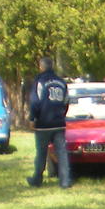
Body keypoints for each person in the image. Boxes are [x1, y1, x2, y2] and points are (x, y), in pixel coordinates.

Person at [27, 56, 71, 188]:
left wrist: (32, 119)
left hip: (43, 124)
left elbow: (35, 102)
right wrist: (61, 115)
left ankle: (37, 179)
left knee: (41, 152)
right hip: (59, 123)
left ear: (41, 67)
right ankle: (65, 181)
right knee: (62, 153)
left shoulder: (39, 81)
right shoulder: (62, 82)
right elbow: (66, 102)